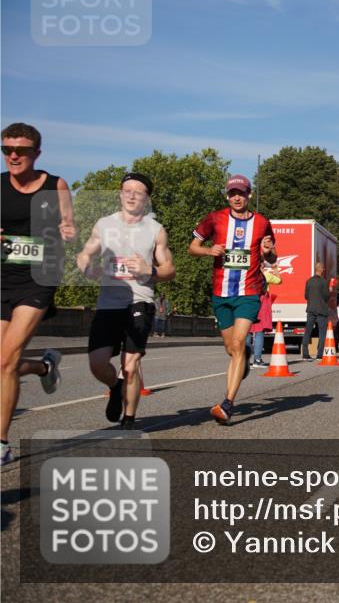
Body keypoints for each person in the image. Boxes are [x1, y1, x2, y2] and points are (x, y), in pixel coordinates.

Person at [1, 123, 75, 464]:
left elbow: (70, 226)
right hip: (2, 277)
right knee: (3, 362)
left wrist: (67, 229)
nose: (14, 156)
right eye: (7, 150)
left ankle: (1, 444)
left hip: (38, 279)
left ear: (37, 153)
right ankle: (44, 367)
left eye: (22, 150)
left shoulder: (54, 185)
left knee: (6, 360)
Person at [77, 172, 175, 430]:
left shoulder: (155, 230)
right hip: (108, 303)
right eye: (127, 191)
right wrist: (88, 268)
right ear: (120, 194)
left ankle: (129, 420)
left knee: (130, 366)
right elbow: (84, 254)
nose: (132, 196)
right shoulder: (104, 225)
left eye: (138, 192)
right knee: (97, 363)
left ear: (146, 198)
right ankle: (114, 385)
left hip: (140, 301)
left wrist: (149, 270)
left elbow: (169, 270)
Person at [189, 175, 276, 425]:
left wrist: (268, 252)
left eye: (241, 193)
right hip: (221, 293)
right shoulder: (214, 218)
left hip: (249, 292)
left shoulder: (262, 223)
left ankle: (227, 404)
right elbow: (192, 247)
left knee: (237, 344)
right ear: (227, 196)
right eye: (232, 194)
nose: (237, 198)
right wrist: (209, 250)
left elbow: (272, 257)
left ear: (249, 195)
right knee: (232, 348)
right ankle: (245, 355)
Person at [303, 261, 330, 360]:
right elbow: (326, 296)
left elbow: (306, 296)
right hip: (321, 310)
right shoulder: (324, 282)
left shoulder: (309, 281)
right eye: (323, 268)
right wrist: (330, 290)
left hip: (310, 309)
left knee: (308, 331)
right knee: (322, 333)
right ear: (322, 270)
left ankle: (305, 354)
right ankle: (319, 354)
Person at [247, 287, 274, 368]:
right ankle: (257, 360)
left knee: (247, 333)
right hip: (260, 306)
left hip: (247, 304)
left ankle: (244, 360)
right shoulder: (262, 280)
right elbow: (278, 281)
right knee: (259, 332)